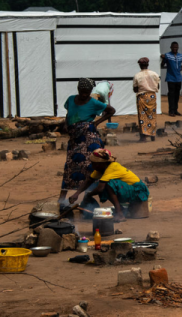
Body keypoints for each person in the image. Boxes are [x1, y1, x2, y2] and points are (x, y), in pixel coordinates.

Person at [59, 78, 115, 206]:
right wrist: (66, 124)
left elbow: (111, 110)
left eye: (87, 92)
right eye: (82, 91)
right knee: (70, 166)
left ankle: (87, 198)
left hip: (89, 138)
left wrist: (97, 122)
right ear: (78, 89)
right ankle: (62, 198)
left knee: (89, 166)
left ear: (90, 91)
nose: (84, 94)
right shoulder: (71, 100)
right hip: (74, 138)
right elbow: (68, 113)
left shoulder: (94, 102)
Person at [68, 149, 149, 223]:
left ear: (101, 163)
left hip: (138, 191)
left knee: (107, 185)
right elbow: (89, 181)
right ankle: (120, 208)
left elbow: (100, 189)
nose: (92, 166)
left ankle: (120, 213)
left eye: (94, 164)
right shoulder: (101, 168)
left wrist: (88, 195)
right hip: (129, 189)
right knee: (98, 185)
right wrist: (76, 194)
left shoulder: (112, 167)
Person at [132, 57, 159, 142]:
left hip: (142, 97)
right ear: (147, 64)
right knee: (152, 115)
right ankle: (152, 135)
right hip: (152, 96)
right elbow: (157, 86)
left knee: (143, 117)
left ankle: (143, 136)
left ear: (140, 65)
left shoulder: (137, 75)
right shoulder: (154, 74)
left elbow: (135, 89)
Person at [161, 42, 182, 116]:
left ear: (178, 48)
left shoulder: (181, 56)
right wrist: (163, 59)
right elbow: (162, 65)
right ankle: (171, 111)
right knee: (171, 95)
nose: (175, 49)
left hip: (178, 79)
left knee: (177, 95)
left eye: (176, 47)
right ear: (171, 47)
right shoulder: (167, 55)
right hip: (170, 78)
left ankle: (175, 110)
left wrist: (181, 68)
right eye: (173, 47)